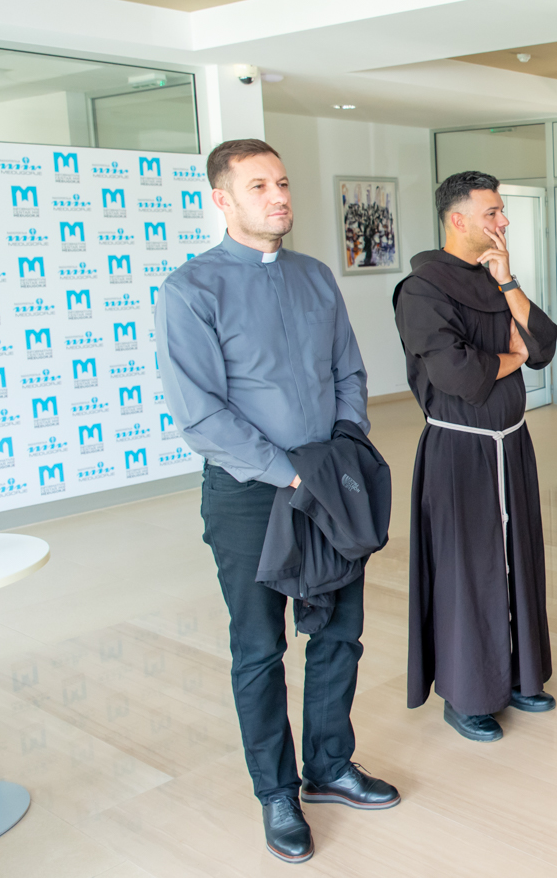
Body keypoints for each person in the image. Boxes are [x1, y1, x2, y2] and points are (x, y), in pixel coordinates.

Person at [156, 139, 398, 865]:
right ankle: (276, 793)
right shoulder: (190, 290)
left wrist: (344, 449)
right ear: (222, 201)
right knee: (260, 650)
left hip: (328, 481)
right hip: (249, 496)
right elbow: (201, 415)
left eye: (283, 183)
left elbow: (349, 372)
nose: (279, 196)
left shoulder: (316, 276)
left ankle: (329, 767)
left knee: (340, 633)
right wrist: (288, 474)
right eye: (259, 186)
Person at [393, 171, 557, 742]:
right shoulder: (421, 290)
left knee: (516, 560)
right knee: (469, 571)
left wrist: (508, 282)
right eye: (492, 212)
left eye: (502, 211)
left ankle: (519, 675)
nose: (503, 221)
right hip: (460, 450)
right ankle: (467, 695)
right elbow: (459, 374)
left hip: (511, 442)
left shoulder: (495, 277)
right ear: (457, 219)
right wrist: (512, 356)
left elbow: (543, 345)